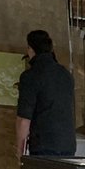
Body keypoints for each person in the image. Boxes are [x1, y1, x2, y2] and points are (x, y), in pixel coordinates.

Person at [15, 29, 75, 158]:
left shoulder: (30, 76)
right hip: (68, 144)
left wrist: (20, 149)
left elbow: (23, 119)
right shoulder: (65, 75)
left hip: (43, 144)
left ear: (30, 49)